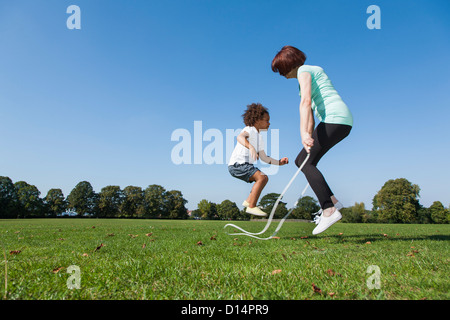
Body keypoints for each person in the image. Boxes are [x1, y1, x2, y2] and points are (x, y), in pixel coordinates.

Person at [271, 45, 353, 235]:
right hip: (339, 121)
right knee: (304, 160)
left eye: (280, 69)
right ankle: (332, 201)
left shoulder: (304, 70)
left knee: (304, 162)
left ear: (289, 64)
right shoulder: (307, 74)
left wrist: (304, 135)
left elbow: (305, 103)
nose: (281, 74)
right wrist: (307, 134)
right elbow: (311, 114)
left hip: (335, 119)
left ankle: (329, 209)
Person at [228, 103, 289, 217]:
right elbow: (240, 137)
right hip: (238, 164)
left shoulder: (259, 138)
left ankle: (248, 201)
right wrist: (250, 146)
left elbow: (264, 158)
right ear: (257, 120)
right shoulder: (250, 129)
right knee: (262, 177)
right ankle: (251, 206)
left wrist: (279, 162)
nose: (269, 123)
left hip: (243, 165)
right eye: (267, 120)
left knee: (263, 178)